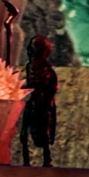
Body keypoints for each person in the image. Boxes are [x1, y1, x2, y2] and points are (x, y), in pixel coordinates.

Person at [21, 35, 58, 167]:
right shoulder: (29, 67)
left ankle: (47, 159)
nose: (29, 51)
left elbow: (52, 89)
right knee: (24, 134)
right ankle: (26, 161)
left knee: (44, 133)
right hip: (32, 103)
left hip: (43, 106)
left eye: (33, 49)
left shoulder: (49, 72)